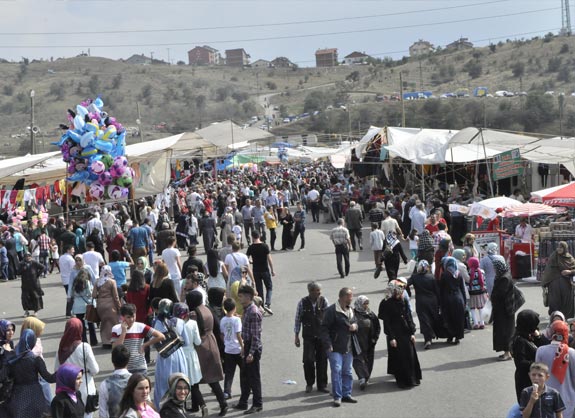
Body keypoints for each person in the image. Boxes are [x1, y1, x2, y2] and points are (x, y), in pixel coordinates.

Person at [186, 290, 228, 416]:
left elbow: (192, 333)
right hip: (211, 342)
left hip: (200, 347)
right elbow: (217, 326)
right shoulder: (207, 308)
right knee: (212, 379)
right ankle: (222, 403)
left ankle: (199, 405)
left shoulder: (193, 314)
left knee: (194, 379)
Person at [379, 279, 422, 389]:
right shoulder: (387, 303)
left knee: (410, 356)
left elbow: (408, 316)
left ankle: (412, 378)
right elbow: (387, 322)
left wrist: (412, 332)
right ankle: (402, 381)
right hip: (395, 333)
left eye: (401, 292)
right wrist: (392, 337)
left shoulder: (403, 300)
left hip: (405, 332)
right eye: (398, 292)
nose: (400, 294)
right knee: (400, 358)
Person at [320, 287, 358, 407]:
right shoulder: (331, 311)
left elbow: (355, 321)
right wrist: (328, 344)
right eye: (349, 296)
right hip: (334, 347)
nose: (351, 299)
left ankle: (346, 394)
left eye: (351, 296)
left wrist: (355, 326)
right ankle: (337, 396)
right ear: (342, 297)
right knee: (336, 370)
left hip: (348, 346)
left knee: (347, 371)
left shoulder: (351, 310)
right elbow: (324, 328)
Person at [55, 318, 100, 418]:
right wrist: (86, 370)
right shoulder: (85, 347)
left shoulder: (61, 348)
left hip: (67, 388)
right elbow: (95, 369)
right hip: (85, 384)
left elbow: (56, 370)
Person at [7, 328, 56, 418]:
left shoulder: (13, 359)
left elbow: (8, 376)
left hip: (18, 396)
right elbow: (49, 378)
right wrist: (62, 372)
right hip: (35, 395)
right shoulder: (36, 360)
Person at [152, 299, 189, 410]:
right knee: (180, 381)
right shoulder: (180, 322)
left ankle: (163, 409)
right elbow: (185, 342)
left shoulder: (156, 322)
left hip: (164, 356)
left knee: (163, 384)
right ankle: (179, 408)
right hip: (178, 354)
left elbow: (153, 343)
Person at [294, 281, 329, 394]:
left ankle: (322, 385)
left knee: (322, 360)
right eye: (316, 291)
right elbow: (298, 319)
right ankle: (309, 383)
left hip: (322, 336)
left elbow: (328, 318)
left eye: (319, 291)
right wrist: (296, 335)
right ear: (311, 291)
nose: (319, 293)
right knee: (308, 360)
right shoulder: (302, 302)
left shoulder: (324, 301)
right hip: (308, 336)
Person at [233, 285, 263, 415]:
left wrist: (250, 353)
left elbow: (256, 336)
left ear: (248, 297)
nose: (239, 299)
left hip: (253, 347)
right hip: (247, 345)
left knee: (253, 377)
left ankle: (257, 404)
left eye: (241, 296)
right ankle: (243, 402)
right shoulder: (246, 310)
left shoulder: (253, 312)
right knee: (244, 376)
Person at [536, 321, 575, 418]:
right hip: (568, 399)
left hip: (546, 398)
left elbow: (537, 376)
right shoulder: (571, 352)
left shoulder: (540, 350)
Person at [112, 304, 165, 375]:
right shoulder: (116, 329)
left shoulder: (141, 326)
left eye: (133, 316)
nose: (131, 319)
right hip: (124, 369)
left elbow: (161, 336)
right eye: (128, 317)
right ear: (122, 317)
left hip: (140, 366)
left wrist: (144, 345)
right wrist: (124, 331)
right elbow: (115, 348)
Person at [173, 303, 206, 415]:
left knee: (181, 383)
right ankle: (201, 405)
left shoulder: (175, 325)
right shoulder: (193, 323)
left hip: (180, 355)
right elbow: (198, 342)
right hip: (191, 354)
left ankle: (184, 408)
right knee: (194, 384)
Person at [513, 310, 549, 403]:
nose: (536, 327)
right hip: (526, 381)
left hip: (533, 380)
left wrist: (538, 337)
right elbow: (520, 363)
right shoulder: (519, 341)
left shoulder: (528, 336)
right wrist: (538, 363)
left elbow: (547, 346)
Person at [407, 260, 441, 349]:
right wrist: (440, 303)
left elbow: (405, 284)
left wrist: (408, 293)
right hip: (432, 302)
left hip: (421, 302)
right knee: (432, 318)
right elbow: (437, 291)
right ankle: (431, 336)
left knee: (424, 320)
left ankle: (428, 339)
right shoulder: (431, 277)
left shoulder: (414, 277)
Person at [352, 295, 380, 390]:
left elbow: (377, 327)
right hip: (356, 341)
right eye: (364, 303)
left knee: (369, 360)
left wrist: (375, 339)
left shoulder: (371, 314)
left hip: (369, 341)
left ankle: (366, 376)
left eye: (367, 303)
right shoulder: (352, 314)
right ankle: (362, 378)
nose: (366, 306)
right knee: (357, 360)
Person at [542, 241, 575, 320]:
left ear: (565, 248)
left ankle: (566, 320)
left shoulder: (570, 258)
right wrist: (544, 285)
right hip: (554, 285)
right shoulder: (553, 257)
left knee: (566, 303)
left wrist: (570, 271)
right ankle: (555, 319)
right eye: (558, 247)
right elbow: (548, 271)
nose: (559, 249)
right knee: (554, 303)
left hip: (567, 284)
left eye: (561, 247)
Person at [491, 257, 515, 361]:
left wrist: (492, 297)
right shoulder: (503, 275)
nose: (494, 269)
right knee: (504, 330)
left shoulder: (504, 278)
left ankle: (507, 353)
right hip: (503, 309)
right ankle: (507, 351)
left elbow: (500, 294)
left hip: (504, 310)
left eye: (495, 267)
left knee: (505, 331)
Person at [98, 345, 132, 418]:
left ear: (112, 361)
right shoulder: (137, 380)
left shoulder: (105, 384)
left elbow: (102, 413)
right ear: (128, 361)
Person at [221, 298, 244, 400]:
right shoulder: (237, 320)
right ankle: (247, 388)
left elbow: (222, 334)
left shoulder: (223, 320)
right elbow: (238, 334)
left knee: (229, 373)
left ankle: (227, 391)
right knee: (244, 371)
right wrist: (242, 346)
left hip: (228, 349)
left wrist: (226, 342)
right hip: (238, 349)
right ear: (234, 308)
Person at [439, 257, 466, 345]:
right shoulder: (459, 274)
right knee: (458, 318)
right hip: (459, 298)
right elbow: (462, 289)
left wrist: (440, 302)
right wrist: (464, 301)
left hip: (448, 299)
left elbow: (441, 289)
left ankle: (450, 336)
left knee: (449, 318)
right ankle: (458, 337)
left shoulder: (445, 274)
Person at [246, 231, 275, 312]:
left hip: (256, 270)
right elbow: (269, 259)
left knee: (259, 289)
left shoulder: (251, 247)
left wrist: (251, 261)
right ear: (259, 236)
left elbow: (246, 259)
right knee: (269, 287)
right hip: (265, 270)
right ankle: (267, 303)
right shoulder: (265, 246)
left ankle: (261, 306)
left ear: (252, 237)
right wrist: (272, 270)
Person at [68, 267, 98, 346]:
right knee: (90, 324)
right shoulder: (86, 282)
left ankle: (84, 341)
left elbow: (72, 294)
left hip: (77, 306)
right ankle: (93, 341)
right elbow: (89, 293)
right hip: (86, 306)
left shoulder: (75, 283)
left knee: (81, 325)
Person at [94, 265, 122, 348]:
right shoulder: (112, 282)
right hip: (110, 304)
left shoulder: (97, 282)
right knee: (114, 323)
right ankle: (114, 341)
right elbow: (116, 296)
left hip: (100, 305)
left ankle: (105, 342)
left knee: (104, 323)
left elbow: (94, 295)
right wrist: (119, 307)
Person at [19, 251, 46, 317]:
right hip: (25, 284)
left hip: (34, 283)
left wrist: (38, 274)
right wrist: (23, 269)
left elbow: (43, 267)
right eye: (26, 256)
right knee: (25, 298)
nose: (28, 258)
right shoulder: (22, 264)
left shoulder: (34, 262)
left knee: (35, 297)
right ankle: (26, 311)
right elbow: (18, 272)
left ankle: (35, 311)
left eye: (29, 256)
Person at [467, 256, 489, 329]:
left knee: (472, 308)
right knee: (481, 308)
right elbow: (484, 282)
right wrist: (486, 291)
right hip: (481, 292)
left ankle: (476, 323)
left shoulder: (469, 272)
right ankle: (482, 323)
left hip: (472, 293)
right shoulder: (481, 272)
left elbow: (468, 283)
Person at [60, 244, 76, 317]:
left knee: (70, 295)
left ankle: (69, 312)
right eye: (72, 249)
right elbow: (74, 269)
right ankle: (69, 312)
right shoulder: (70, 259)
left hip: (64, 279)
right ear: (68, 250)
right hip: (70, 279)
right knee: (71, 296)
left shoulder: (61, 257)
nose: (74, 251)